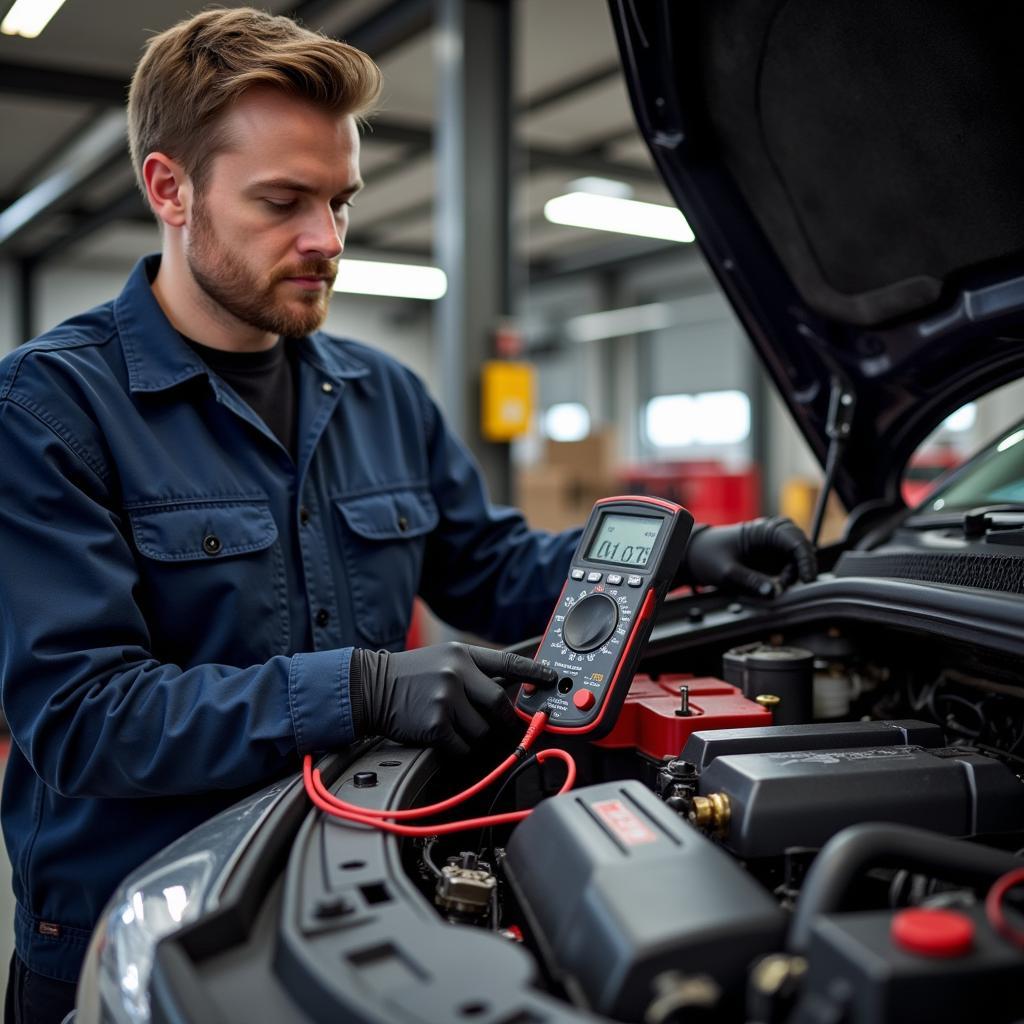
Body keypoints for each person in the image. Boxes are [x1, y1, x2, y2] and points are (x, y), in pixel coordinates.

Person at [0, 8, 815, 1022]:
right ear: (168, 188)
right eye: (283, 202)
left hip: (360, 884)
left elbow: (489, 565)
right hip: (139, 929)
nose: (325, 240)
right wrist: (360, 687)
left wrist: (684, 554)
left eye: (340, 202)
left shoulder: (380, 393)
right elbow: (82, 722)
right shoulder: (49, 410)